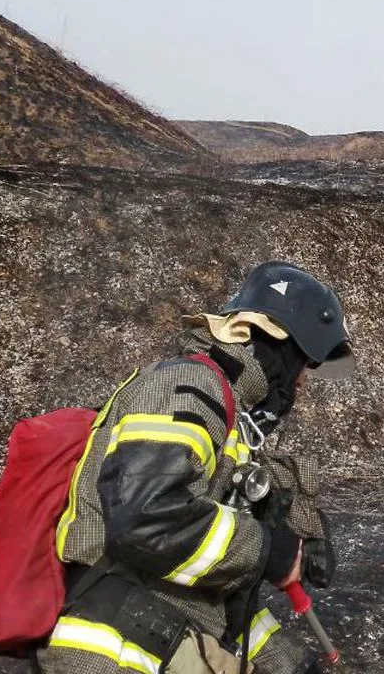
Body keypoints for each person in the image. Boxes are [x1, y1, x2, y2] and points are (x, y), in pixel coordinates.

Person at [36, 261, 354, 674]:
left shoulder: (227, 417)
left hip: (164, 641)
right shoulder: (186, 387)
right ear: (281, 347)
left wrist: (292, 664)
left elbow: (220, 607)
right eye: (305, 365)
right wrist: (267, 549)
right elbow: (146, 519)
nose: (302, 384)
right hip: (115, 654)